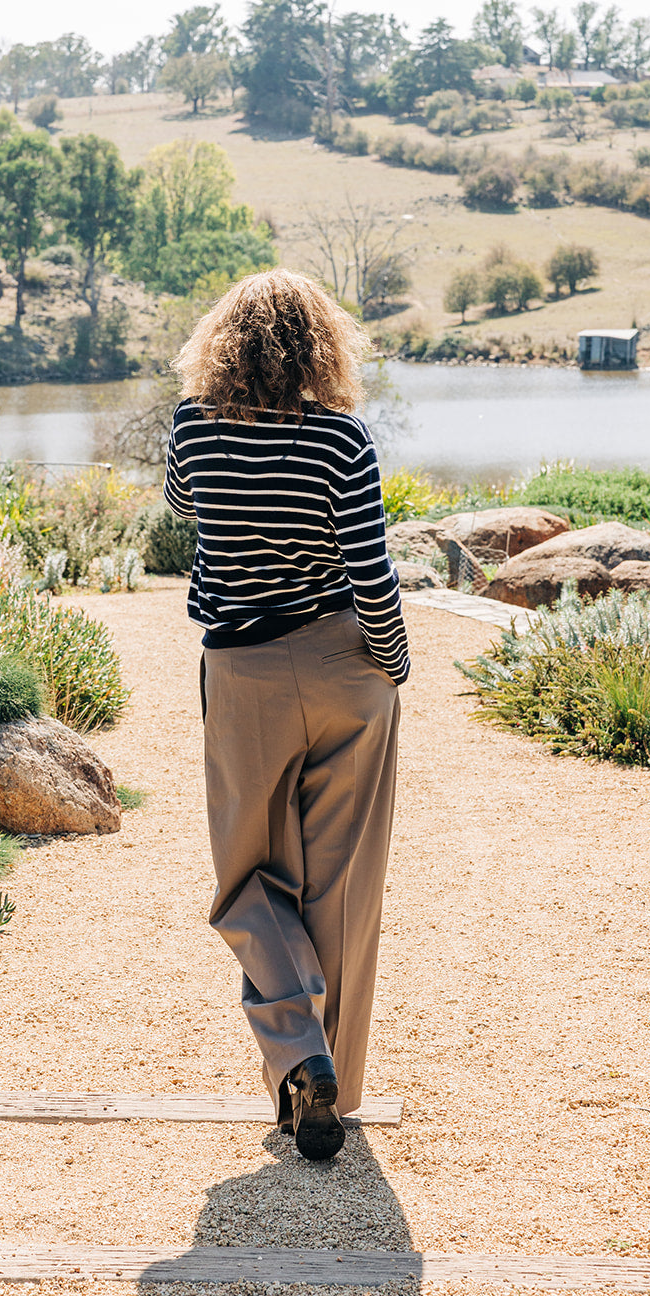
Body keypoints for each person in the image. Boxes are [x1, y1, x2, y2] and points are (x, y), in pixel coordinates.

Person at [163, 269, 410, 1162]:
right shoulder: (342, 438)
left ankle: (300, 1057)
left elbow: (183, 508)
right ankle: (332, 1085)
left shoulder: (192, 428)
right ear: (321, 346)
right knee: (343, 887)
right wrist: (392, 662)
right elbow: (372, 571)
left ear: (222, 344)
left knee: (248, 878)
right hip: (345, 664)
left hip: (244, 672)